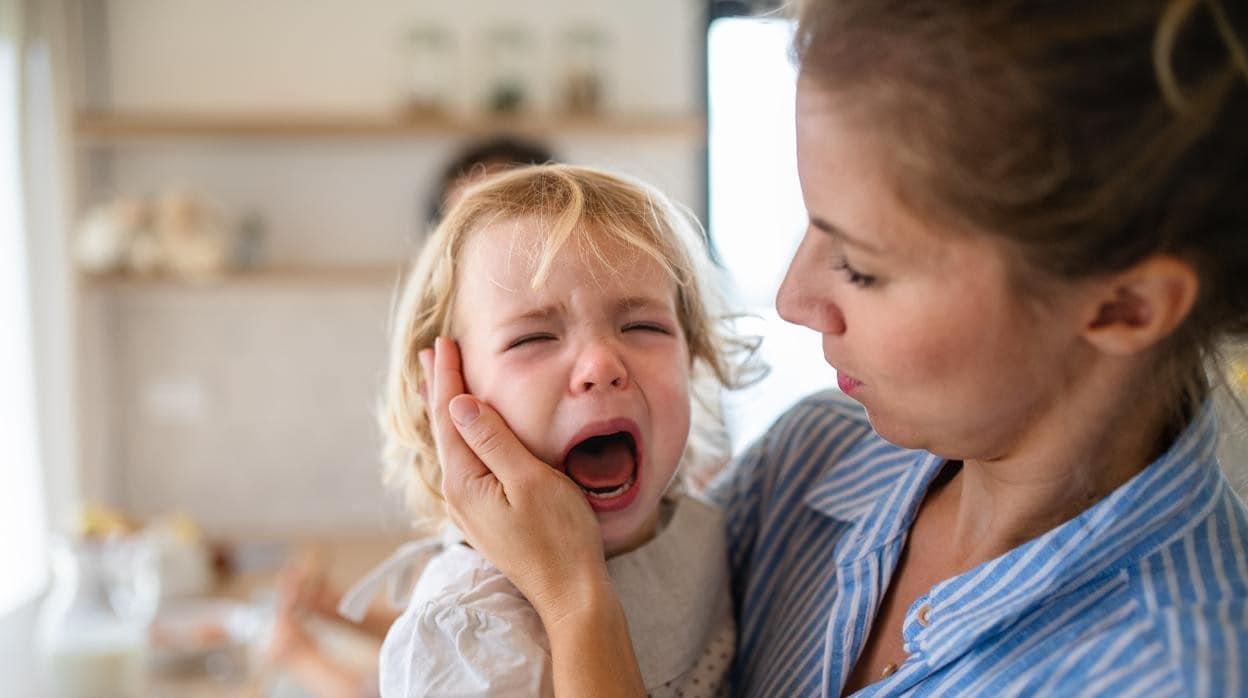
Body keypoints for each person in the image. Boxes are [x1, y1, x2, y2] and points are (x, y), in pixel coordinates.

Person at [423, 0, 1248, 696]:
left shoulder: (1169, 673)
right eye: (810, 225)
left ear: (1124, 304)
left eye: (860, 265)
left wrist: (576, 602)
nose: (793, 298)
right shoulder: (813, 456)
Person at [353, 163, 754, 696]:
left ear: (693, 358)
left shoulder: (707, 531)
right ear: (447, 395)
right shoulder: (467, 631)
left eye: (643, 326)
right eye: (534, 338)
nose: (601, 365)